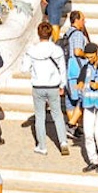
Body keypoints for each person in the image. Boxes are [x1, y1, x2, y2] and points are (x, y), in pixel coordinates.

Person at [25, 19, 71, 155]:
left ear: (38, 34)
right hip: (53, 86)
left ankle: (42, 146)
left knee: (40, 116)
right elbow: (63, 69)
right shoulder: (57, 50)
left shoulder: (32, 50)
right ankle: (63, 141)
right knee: (57, 115)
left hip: (38, 85)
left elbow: (23, 68)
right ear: (51, 33)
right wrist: (62, 84)